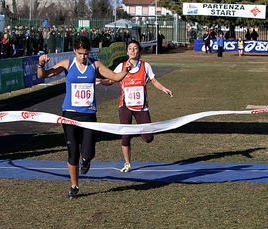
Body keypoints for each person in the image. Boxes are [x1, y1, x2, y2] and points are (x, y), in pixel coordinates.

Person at [37, 35, 132, 199]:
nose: (83, 57)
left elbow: (115, 77)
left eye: (86, 53)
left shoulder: (95, 65)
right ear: (75, 51)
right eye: (80, 53)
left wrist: (126, 70)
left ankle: (86, 160)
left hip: (88, 115)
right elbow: (43, 75)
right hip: (70, 115)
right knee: (72, 152)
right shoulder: (68, 64)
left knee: (88, 152)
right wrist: (40, 64)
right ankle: (74, 186)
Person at [100, 40, 173, 173]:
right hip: (125, 105)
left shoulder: (146, 66)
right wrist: (100, 81)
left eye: (135, 48)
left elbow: (154, 81)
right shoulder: (121, 66)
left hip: (141, 107)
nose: (133, 51)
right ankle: (127, 163)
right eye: (130, 48)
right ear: (127, 51)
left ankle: (141, 129)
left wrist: (164, 89)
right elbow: (111, 80)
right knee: (125, 135)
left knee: (148, 138)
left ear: (139, 51)